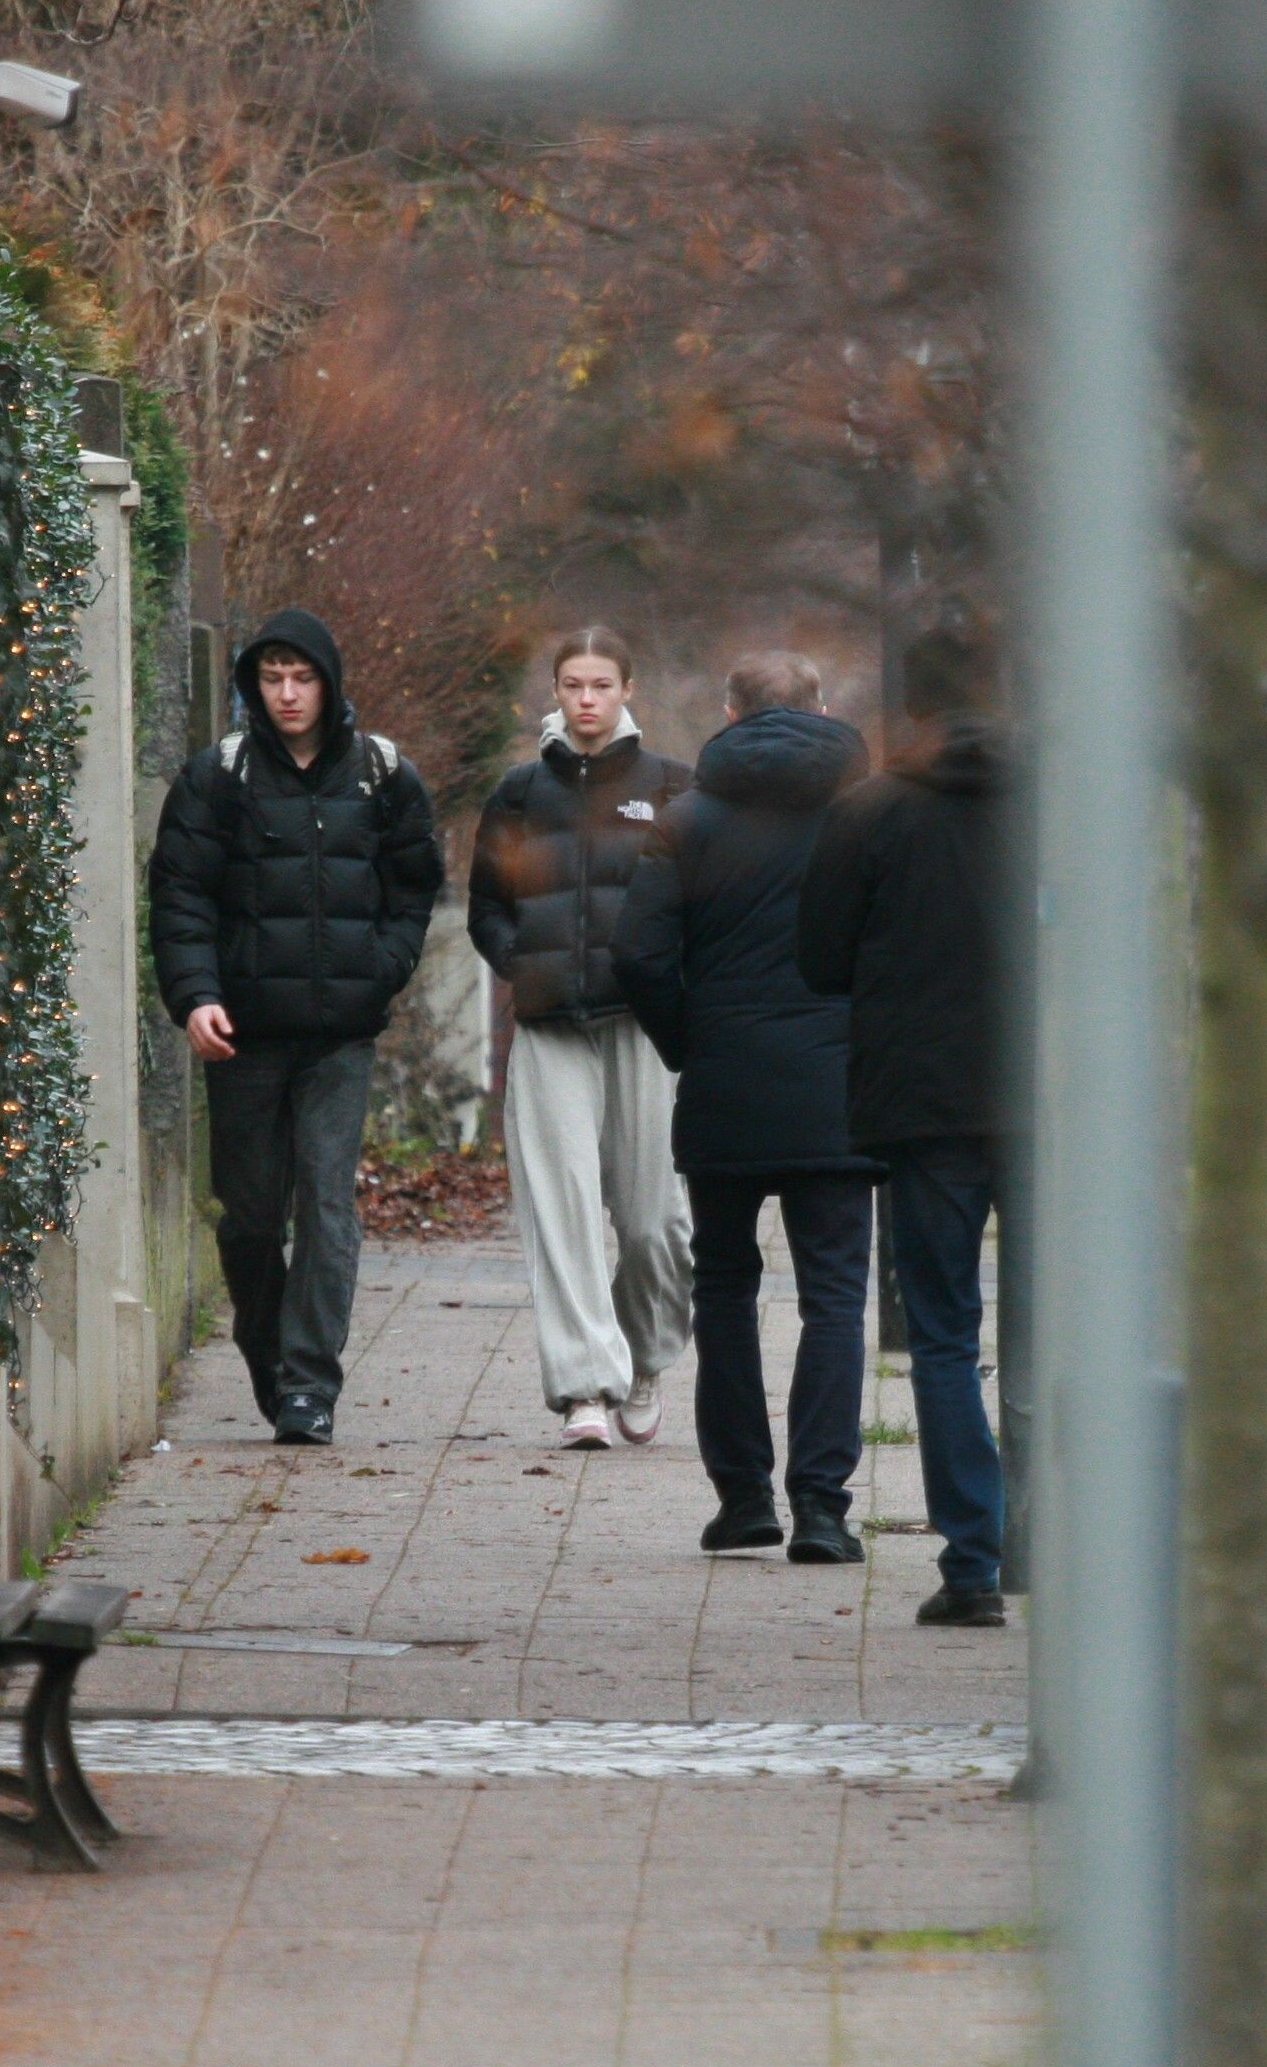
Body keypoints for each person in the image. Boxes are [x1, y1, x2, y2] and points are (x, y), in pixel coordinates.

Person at [148, 608, 444, 1448]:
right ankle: (265, 1347)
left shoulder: (383, 776)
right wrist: (195, 995)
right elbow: (180, 897)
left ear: (329, 683)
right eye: (272, 678)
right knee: (248, 1217)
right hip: (240, 1034)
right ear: (253, 684)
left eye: (301, 677)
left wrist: (378, 970)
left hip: (339, 1038)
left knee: (324, 1202)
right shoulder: (219, 776)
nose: (287, 694)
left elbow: (415, 886)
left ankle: (310, 1386)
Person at [615, 651, 877, 1563]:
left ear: (728, 712)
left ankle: (743, 1499)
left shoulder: (686, 821)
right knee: (836, 1299)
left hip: (724, 1085)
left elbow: (642, 956)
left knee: (723, 1291)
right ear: (824, 707)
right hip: (840, 1091)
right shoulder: (866, 817)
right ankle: (823, 1508)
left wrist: (694, 1044)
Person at [798, 621, 1010, 1627]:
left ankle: (972, 1562)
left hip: (927, 1104)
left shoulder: (871, 810)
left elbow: (820, 958)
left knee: (943, 1335)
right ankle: (1051, 1542)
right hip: (1055, 1100)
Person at [471, 625, 696, 1450]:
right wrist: (523, 965)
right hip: (551, 1028)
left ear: (627, 689)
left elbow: (700, 906)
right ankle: (583, 1389)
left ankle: (645, 1359)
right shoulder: (520, 794)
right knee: (560, 1210)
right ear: (556, 693)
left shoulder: (675, 788)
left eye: (602, 684)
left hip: (643, 1029)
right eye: (574, 684)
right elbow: (487, 908)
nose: (588, 699)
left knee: (652, 1221)